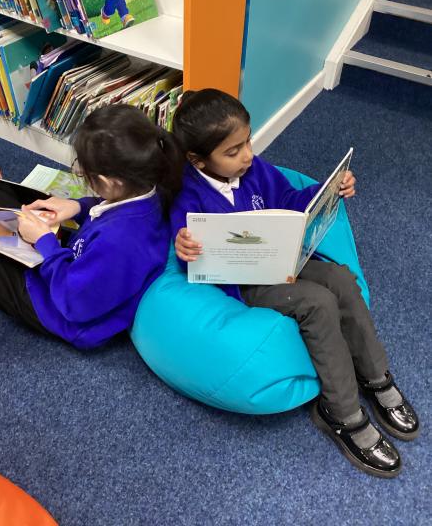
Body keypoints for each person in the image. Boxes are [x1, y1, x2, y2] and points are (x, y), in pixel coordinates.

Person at [169, 88, 419, 478]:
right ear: (198, 160)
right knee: (317, 302)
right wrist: (184, 244)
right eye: (233, 152)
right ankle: (340, 412)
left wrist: (327, 192)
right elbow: (184, 239)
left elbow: (290, 199)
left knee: (341, 278)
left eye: (247, 142)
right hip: (245, 281)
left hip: (284, 258)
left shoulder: (254, 169)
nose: (247, 155)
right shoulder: (188, 194)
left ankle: (375, 376)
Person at [0, 105, 182, 349]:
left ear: (109, 181)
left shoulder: (118, 241)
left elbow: (74, 304)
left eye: (83, 171)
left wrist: (45, 242)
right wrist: (79, 206)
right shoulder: (149, 192)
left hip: (59, 311)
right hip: (73, 267)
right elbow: (110, 209)